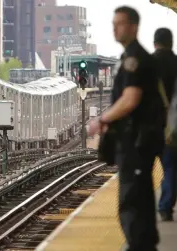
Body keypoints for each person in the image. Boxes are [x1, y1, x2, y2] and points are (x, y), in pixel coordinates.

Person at [87, 6, 162, 251]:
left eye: (119, 23)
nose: (114, 28)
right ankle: (143, 243)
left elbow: (131, 98)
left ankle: (138, 244)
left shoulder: (134, 59)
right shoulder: (131, 57)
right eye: (113, 23)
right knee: (138, 195)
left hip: (136, 141)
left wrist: (103, 119)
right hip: (139, 140)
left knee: (132, 198)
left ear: (134, 27)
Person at [153, 27, 177, 221]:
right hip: (172, 127)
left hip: (149, 127)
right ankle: (165, 207)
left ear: (155, 43)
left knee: (142, 169)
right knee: (171, 167)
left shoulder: (148, 63)